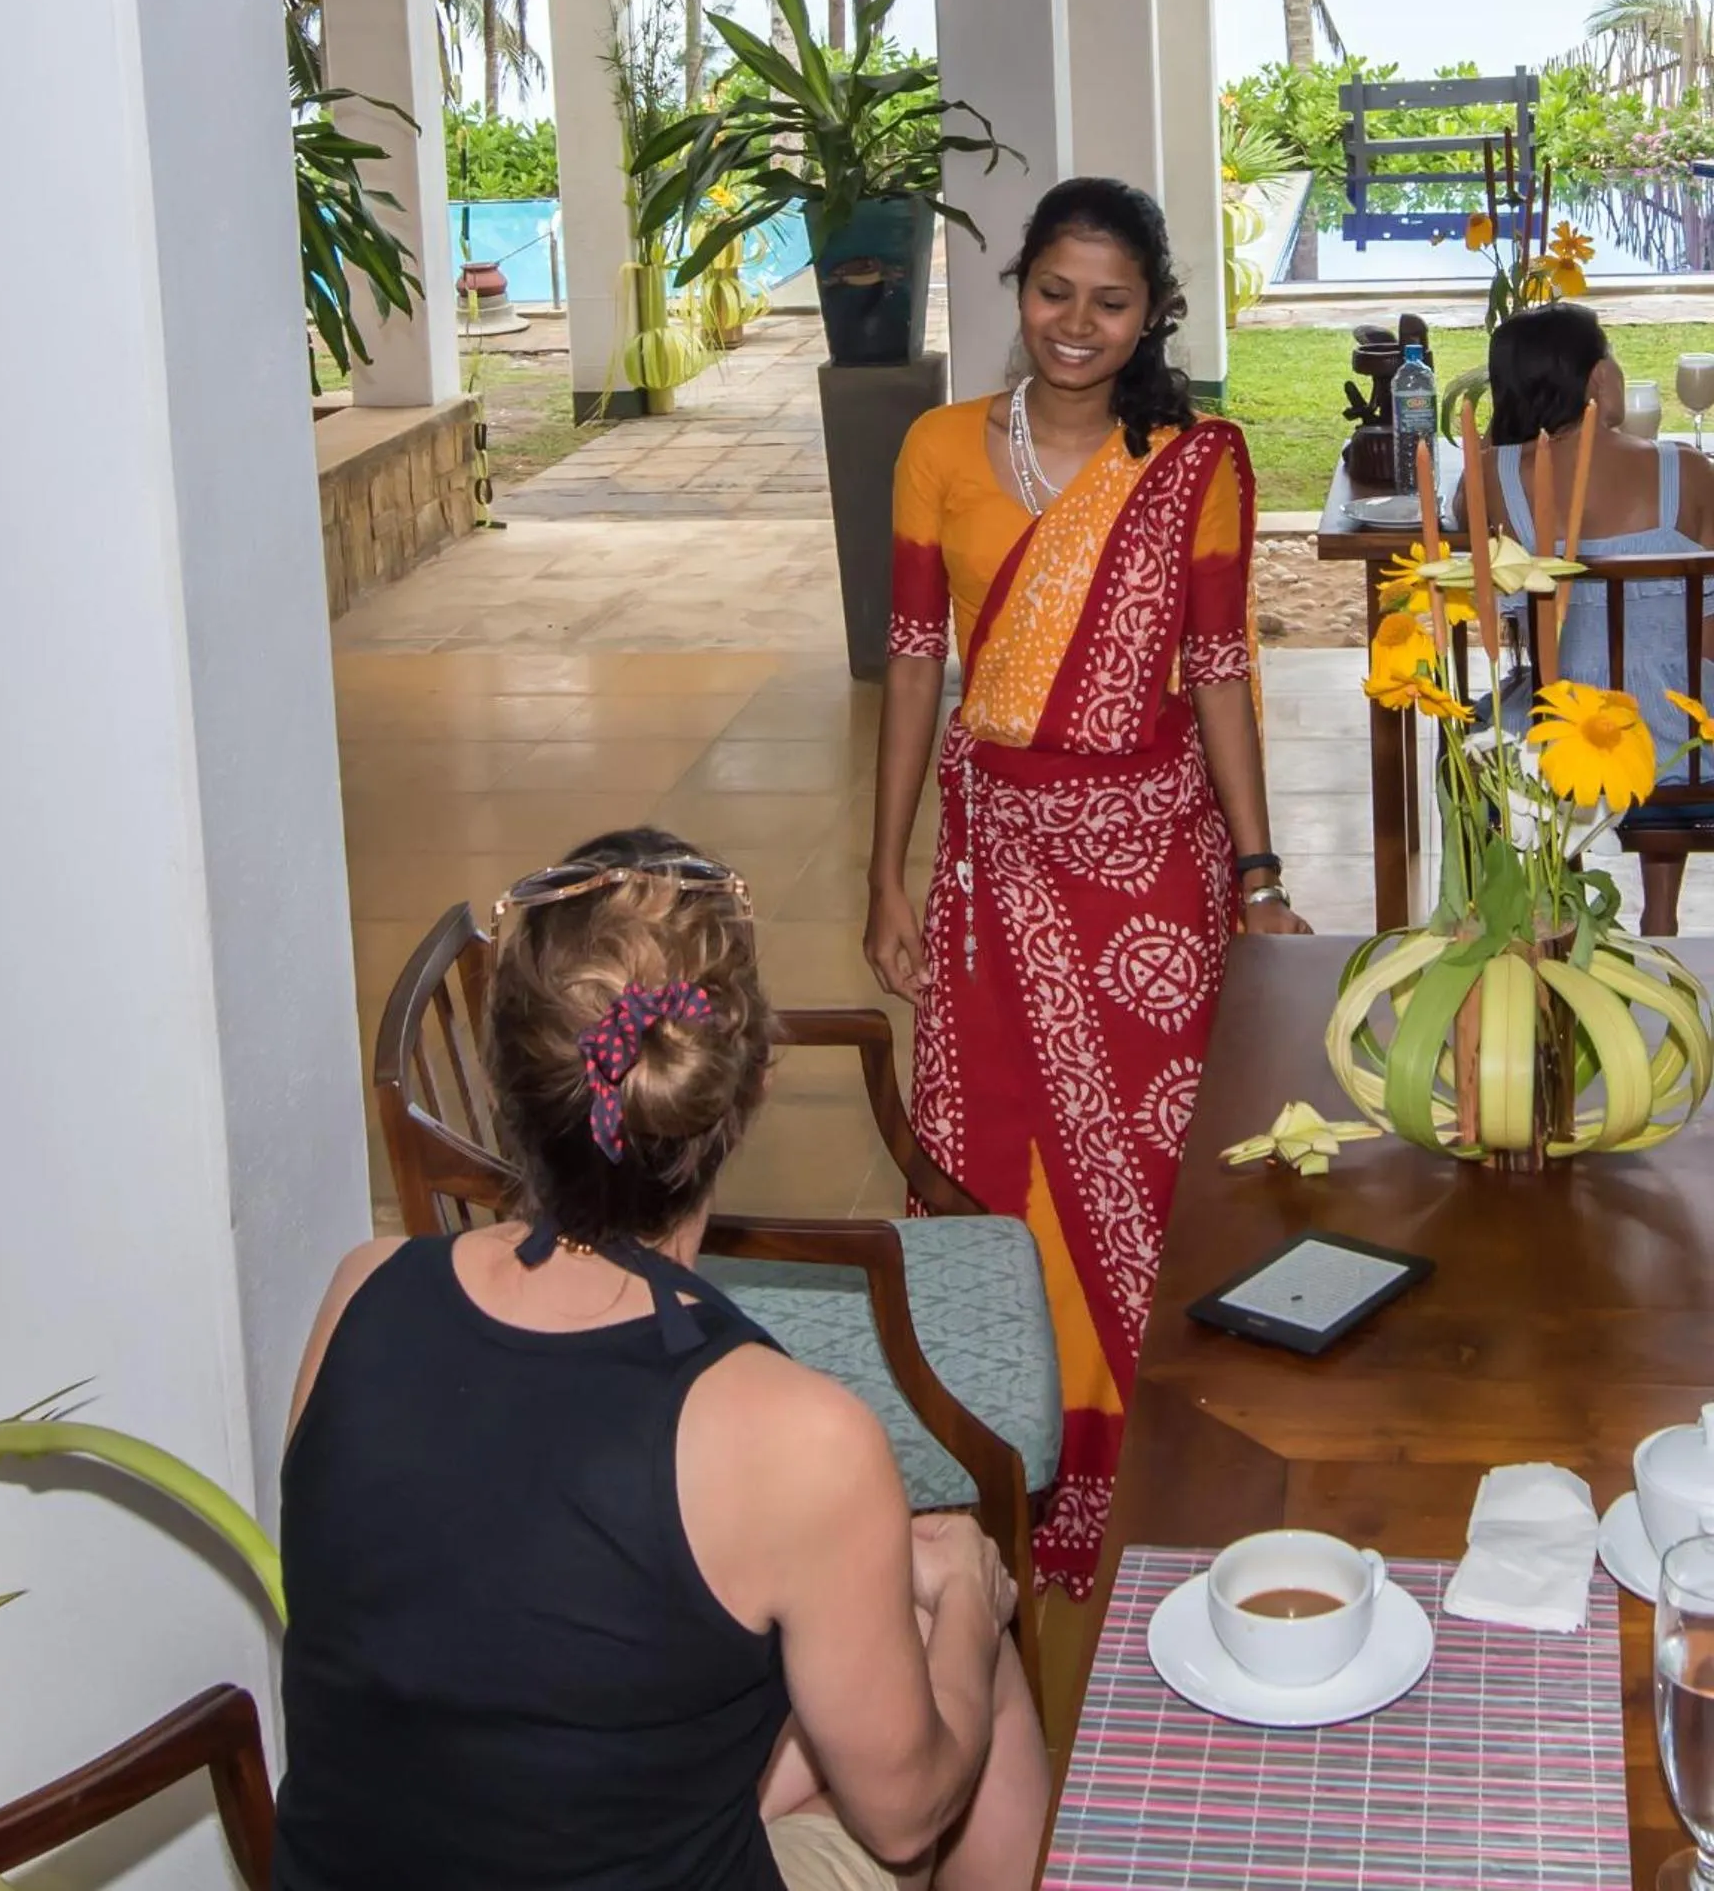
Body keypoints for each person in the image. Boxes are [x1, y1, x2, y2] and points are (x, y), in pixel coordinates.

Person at [277, 829, 1050, 1891]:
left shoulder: (360, 1292)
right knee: (965, 1661)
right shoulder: (792, 1436)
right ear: (751, 1081)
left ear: (512, 1082)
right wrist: (968, 1596)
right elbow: (909, 1813)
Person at [863, 179, 1308, 1601]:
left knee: (1167, 1157)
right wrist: (891, 868)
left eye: (1111, 301)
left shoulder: (1196, 460)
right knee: (1003, 1163)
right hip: (998, 864)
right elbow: (917, 665)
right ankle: (1016, 1456)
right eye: (1055, 290)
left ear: (1153, 314)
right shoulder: (937, 450)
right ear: (1017, 289)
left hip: (1155, 871)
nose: (1077, 323)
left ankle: (1174, 1447)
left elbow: (1223, 670)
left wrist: (1256, 873)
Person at [1458, 299, 1714, 934]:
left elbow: (1481, 578)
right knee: (1677, 694)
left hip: (1549, 732)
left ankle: (1561, 902)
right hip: (1679, 748)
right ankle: (1661, 917)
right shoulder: (1688, 471)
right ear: (1599, 376)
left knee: (1494, 738)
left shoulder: (1490, 479)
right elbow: (1708, 631)